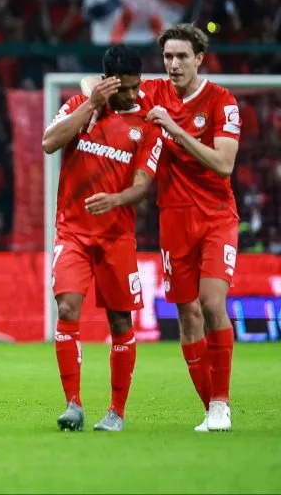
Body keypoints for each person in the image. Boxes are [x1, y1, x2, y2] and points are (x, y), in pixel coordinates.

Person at [81, 23, 240, 432]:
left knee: (211, 302)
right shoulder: (154, 91)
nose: (173, 64)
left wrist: (174, 128)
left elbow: (224, 164)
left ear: (199, 59)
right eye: (168, 57)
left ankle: (221, 403)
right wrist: (92, 98)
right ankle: (212, 409)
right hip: (173, 219)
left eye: (182, 56)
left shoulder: (222, 102)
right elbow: (92, 80)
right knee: (187, 315)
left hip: (216, 216)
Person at [42, 45, 163, 432]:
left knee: (120, 321)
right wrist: (89, 105)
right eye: (123, 88)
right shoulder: (83, 105)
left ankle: (117, 412)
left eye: (134, 86)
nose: (130, 95)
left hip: (116, 236)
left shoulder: (147, 123)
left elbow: (143, 185)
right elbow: (48, 142)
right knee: (67, 311)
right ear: (108, 82)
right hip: (73, 232)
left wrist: (116, 198)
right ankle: (72, 405)